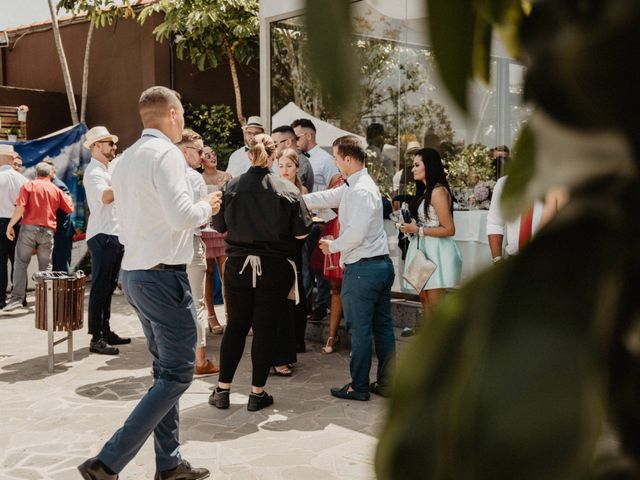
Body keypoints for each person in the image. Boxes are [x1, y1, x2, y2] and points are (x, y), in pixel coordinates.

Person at [78, 86, 219, 480]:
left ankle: (169, 464)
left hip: (136, 273)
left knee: (165, 374)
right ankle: (107, 461)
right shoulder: (167, 155)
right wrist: (208, 205)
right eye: (183, 114)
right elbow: (182, 217)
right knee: (177, 375)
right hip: (163, 276)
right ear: (173, 114)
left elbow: (127, 220)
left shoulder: (121, 163)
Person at [208, 134, 312, 412]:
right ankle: (257, 393)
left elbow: (218, 226)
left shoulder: (231, 186)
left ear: (249, 155)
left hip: (238, 265)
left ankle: (222, 390)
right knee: (265, 329)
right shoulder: (287, 189)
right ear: (274, 156)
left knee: (236, 326)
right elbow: (302, 231)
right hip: (274, 267)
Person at [303, 135, 395, 401]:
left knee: (361, 330)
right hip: (377, 266)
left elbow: (355, 234)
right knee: (383, 328)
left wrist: (332, 246)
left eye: (335, 156)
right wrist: (299, 198)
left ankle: (359, 386)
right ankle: (386, 383)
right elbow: (330, 196)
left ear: (348, 159)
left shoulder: (360, 189)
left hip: (363, 269)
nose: (334, 161)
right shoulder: (356, 184)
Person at [83, 126, 130, 355]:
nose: (114, 146)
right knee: (101, 287)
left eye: (113, 142)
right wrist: (125, 182)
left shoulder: (106, 170)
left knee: (109, 286)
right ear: (95, 146)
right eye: (108, 142)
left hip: (113, 233)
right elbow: (105, 197)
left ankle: (105, 330)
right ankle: (96, 337)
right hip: (103, 234)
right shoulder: (94, 173)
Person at [398, 148, 462, 314]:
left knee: (435, 305)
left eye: (416, 165)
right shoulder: (426, 191)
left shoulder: (438, 192)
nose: (412, 169)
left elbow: (449, 229)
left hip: (436, 251)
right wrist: (409, 226)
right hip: (422, 249)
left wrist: (417, 229)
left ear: (429, 166)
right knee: (424, 300)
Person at [3, 162, 74, 312]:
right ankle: (45, 301)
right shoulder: (55, 188)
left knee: (21, 263)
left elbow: (20, 207)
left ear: (36, 174)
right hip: (48, 231)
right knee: (46, 266)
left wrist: (10, 225)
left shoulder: (29, 186)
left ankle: (16, 298)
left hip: (28, 229)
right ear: (50, 175)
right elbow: (69, 207)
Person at [177, 129, 220, 376]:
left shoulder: (165, 175)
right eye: (199, 151)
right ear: (185, 151)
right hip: (191, 242)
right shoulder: (194, 178)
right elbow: (203, 219)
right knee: (197, 302)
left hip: (168, 246)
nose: (203, 156)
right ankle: (200, 360)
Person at [291, 118, 340, 321]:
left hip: (323, 220)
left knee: (320, 266)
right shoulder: (297, 159)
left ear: (309, 135)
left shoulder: (326, 160)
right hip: (304, 220)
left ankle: (321, 304)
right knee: (306, 266)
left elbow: (335, 186)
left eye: (297, 136)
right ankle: (307, 305)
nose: (294, 141)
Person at [272, 148, 308, 373]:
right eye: (281, 166)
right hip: (281, 247)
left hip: (299, 244)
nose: (284, 170)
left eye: (289, 166)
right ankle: (283, 350)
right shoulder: (275, 188)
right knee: (286, 296)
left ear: (297, 168)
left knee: (300, 291)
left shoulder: (302, 191)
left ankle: (297, 341)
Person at [200, 145, 231, 334]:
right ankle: (211, 316)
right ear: (201, 159)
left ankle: (231, 314)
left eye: (214, 153)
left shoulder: (227, 176)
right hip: (205, 229)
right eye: (208, 154)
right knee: (208, 273)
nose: (213, 157)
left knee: (227, 273)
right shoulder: (197, 178)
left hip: (223, 228)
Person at [486, 174, 544, 261]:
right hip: (514, 260)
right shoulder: (504, 184)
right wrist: (497, 259)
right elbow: (495, 223)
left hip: (545, 258)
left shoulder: (555, 182)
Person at [0, 145, 28, 310]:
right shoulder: (23, 180)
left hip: (1, 221)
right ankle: (20, 297)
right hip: (19, 222)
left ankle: (1, 299)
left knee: (0, 263)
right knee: (18, 262)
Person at [46, 161, 76, 273]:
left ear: (53, 171)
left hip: (62, 231)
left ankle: (66, 290)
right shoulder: (51, 184)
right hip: (57, 231)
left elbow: (67, 208)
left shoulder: (59, 186)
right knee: (56, 267)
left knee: (62, 266)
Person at [270, 125, 314, 193]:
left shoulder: (300, 162)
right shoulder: (283, 159)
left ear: (288, 142)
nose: (272, 148)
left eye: (275, 144)